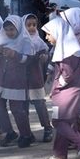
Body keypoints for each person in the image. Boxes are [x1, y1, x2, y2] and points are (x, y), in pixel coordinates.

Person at [41, 17, 80, 159]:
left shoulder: (66, 52)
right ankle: (59, 154)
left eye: (49, 34)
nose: (47, 37)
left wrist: (57, 88)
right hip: (72, 93)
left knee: (58, 122)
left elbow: (67, 75)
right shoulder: (68, 48)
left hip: (67, 94)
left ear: (57, 33)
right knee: (65, 122)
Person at [0, 16, 35, 148]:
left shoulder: (25, 41)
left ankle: (26, 134)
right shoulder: (3, 38)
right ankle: (9, 131)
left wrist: (15, 55)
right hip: (2, 77)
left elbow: (30, 60)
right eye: (7, 30)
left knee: (17, 108)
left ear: (19, 28)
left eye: (12, 29)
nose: (9, 33)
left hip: (17, 78)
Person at [23, 14, 54, 142]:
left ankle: (47, 128)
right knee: (22, 106)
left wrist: (44, 57)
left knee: (39, 104)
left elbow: (46, 53)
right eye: (28, 25)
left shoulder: (39, 41)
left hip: (35, 77)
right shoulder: (20, 40)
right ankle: (26, 132)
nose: (31, 28)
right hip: (22, 78)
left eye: (34, 25)